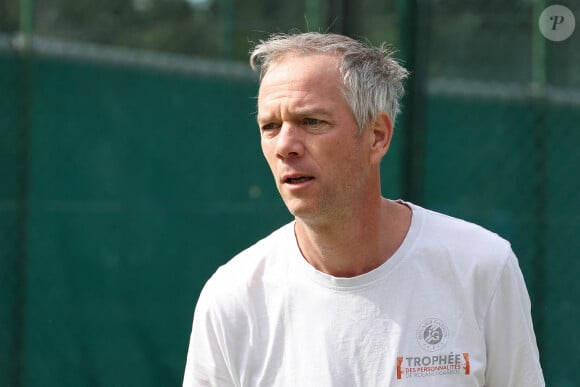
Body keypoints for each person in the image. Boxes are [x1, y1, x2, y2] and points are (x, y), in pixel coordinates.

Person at [183, 32, 544, 386]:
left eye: (311, 121)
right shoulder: (231, 298)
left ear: (377, 136)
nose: (285, 146)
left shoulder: (482, 267)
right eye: (271, 126)